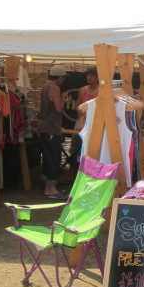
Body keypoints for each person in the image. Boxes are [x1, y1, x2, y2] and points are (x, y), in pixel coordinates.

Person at [38, 64, 70, 198]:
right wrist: (63, 99)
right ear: (59, 77)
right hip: (52, 128)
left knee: (47, 157)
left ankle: (48, 188)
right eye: (63, 78)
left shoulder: (44, 87)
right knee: (53, 158)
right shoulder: (54, 88)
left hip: (44, 127)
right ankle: (52, 189)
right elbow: (58, 108)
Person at [70, 67, 99, 166]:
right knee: (76, 144)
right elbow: (77, 104)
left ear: (97, 77)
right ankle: (75, 166)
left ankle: (89, 166)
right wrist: (80, 111)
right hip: (82, 121)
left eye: (92, 76)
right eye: (88, 75)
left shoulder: (100, 91)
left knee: (91, 146)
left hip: (94, 122)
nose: (89, 77)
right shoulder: (82, 90)